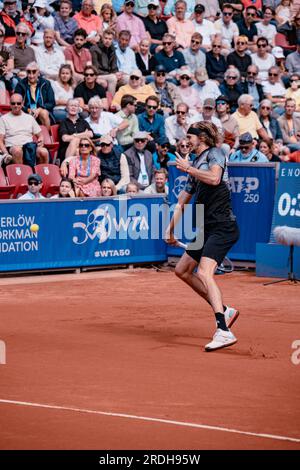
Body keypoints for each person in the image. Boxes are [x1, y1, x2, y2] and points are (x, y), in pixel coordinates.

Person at [165, 121, 240, 352]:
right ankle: (225, 310)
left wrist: (188, 168)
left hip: (222, 226)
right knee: (182, 271)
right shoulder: (195, 164)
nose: (187, 140)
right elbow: (182, 201)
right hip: (204, 228)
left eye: (191, 136)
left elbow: (215, 179)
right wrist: (170, 229)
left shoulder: (215, 153)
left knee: (204, 272)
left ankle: (223, 331)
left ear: (203, 138)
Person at [0, 93, 48, 164]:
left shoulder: (29, 118)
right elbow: (0, 141)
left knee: (44, 152)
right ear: (10, 104)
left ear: (22, 104)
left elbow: (40, 135)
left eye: (18, 103)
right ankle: (21, 174)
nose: (16, 105)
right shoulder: (3, 119)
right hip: (13, 146)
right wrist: (6, 154)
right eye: (13, 103)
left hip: (29, 146)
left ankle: (40, 174)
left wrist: (41, 139)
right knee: (17, 150)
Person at [14, 61, 55, 131]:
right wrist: (28, 110)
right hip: (27, 111)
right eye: (29, 72)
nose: (31, 75)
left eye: (34, 72)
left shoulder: (46, 83)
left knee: (44, 113)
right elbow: (16, 102)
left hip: (41, 111)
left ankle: (47, 137)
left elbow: (51, 103)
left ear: (38, 73)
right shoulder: (21, 84)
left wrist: (39, 109)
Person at [90, 28, 120, 96]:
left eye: (110, 39)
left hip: (109, 74)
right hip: (98, 75)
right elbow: (95, 69)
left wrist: (117, 73)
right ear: (102, 38)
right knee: (112, 78)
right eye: (106, 38)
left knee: (127, 78)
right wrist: (112, 74)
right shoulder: (94, 49)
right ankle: (111, 102)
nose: (107, 41)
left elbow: (114, 67)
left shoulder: (112, 49)